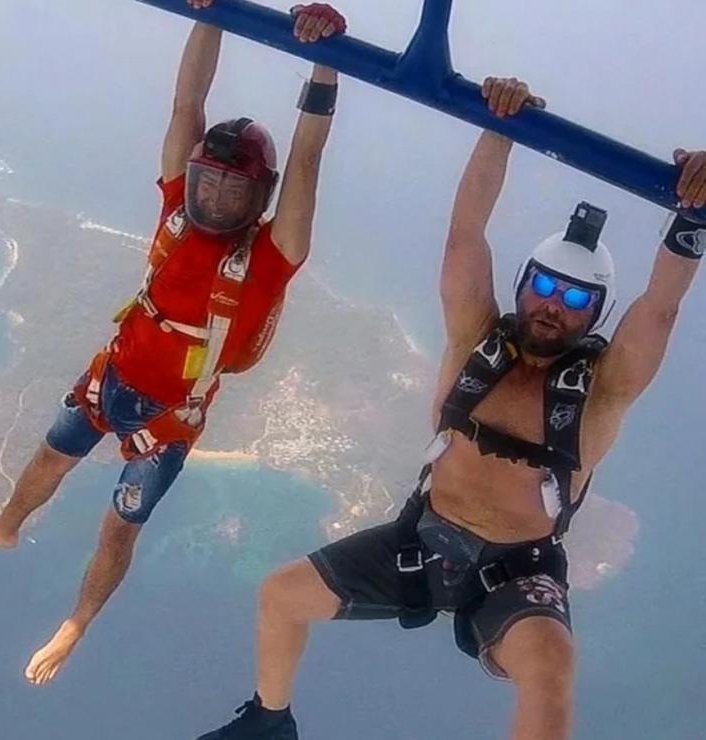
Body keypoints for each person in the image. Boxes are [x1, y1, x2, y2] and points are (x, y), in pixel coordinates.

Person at [197, 73, 706, 740]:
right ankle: (270, 722)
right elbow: (465, 233)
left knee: (551, 670)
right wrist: (502, 126)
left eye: (575, 299)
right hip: (421, 540)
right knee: (280, 596)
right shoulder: (477, 338)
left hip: (516, 570)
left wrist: (693, 216)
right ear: (523, 285)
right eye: (544, 287)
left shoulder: (603, 389)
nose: (552, 306)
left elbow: (661, 309)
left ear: (596, 313)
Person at [0, 1, 350, 685]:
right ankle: (7, 523)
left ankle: (75, 625)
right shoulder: (175, 208)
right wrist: (211, 15)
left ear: (262, 197)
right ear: (191, 176)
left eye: (232, 191)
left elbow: (308, 153)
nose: (216, 201)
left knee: (117, 530)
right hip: (111, 376)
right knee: (48, 461)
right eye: (208, 183)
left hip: (168, 421)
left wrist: (327, 59)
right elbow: (187, 100)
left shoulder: (273, 255)